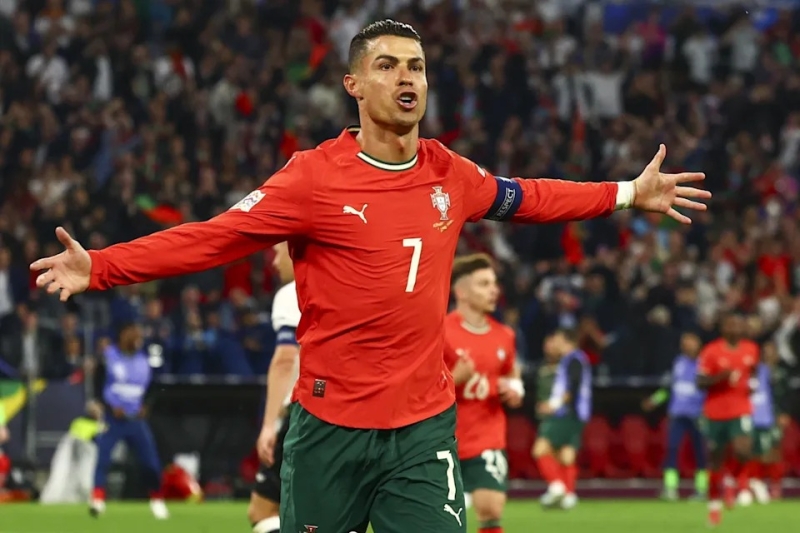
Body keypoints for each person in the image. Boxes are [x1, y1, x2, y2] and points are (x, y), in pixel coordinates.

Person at [31, 20, 709, 532]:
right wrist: (102, 267)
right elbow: (213, 238)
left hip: (422, 428)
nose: (406, 78)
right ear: (353, 85)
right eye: (386, 65)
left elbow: (530, 196)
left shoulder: (449, 173)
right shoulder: (312, 178)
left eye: (416, 66)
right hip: (330, 427)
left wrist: (627, 192)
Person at [443, 254, 522, 533]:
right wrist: (455, 378)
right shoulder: (440, 332)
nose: (494, 290)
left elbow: (512, 375)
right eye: (484, 284)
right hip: (444, 437)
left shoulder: (504, 336)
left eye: (494, 283)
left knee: (491, 508)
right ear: (461, 292)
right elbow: (419, 389)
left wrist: (515, 391)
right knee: (441, 520)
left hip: (488, 435)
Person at [89, 322, 168, 519]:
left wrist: (147, 405)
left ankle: (157, 500)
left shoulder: (145, 359)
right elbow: (98, 384)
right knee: (103, 458)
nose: (137, 338)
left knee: (150, 462)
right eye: (133, 333)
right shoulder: (108, 357)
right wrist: (108, 406)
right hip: (113, 418)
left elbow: (154, 385)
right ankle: (97, 499)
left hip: (135, 419)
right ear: (123, 334)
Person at [248, 242, 301, 533]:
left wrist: (269, 425)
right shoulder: (345, 287)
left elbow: (285, 358)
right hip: (352, 414)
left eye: (278, 253)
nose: (274, 262)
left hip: (303, 415)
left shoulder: (294, 292)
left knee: (263, 511)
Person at [696, 314, 758, 526]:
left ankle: (732, 478)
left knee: (743, 450)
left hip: (741, 409)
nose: (735, 328)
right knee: (715, 460)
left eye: (739, 325)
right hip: (715, 412)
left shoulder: (751, 349)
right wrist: (719, 378)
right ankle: (714, 508)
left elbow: (753, 371)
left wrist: (753, 385)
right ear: (723, 328)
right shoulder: (711, 351)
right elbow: (700, 382)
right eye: (731, 325)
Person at [642, 332, 707, 500]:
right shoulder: (678, 363)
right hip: (677, 414)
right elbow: (669, 387)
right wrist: (654, 400)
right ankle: (670, 488)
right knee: (671, 449)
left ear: (698, 344)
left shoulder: (705, 363)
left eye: (690, 343)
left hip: (698, 414)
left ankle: (702, 489)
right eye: (684, 343)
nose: (686, 346)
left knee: (700, 452)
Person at [533, 329, 592, 510]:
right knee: (566, 454)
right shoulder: (575, 359)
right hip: (576, 414)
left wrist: (553, 405)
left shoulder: (573, 359)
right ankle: (569, 494)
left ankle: (557, 485)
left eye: (557, 339)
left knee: (540, 449)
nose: (554, 343)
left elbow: (571, 389)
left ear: (566, 341)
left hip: (566, 413)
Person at [747, 341, 789, 503]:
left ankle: (775, 485)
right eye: (765, 352)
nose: (768, 354)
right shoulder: (755, 370)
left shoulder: (782, 372)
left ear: (777, 354)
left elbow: (787, 394)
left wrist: (784, 412)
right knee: (754, 451)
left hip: (773, 416)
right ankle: (756, 483)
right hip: (754, 416)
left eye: (771, 351)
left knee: (773, 451)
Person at [40, 401, 105, 504]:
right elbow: (73, 439)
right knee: (63, 475)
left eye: (97, 410)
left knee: (85, 481)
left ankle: (85, 499)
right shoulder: (79, 422)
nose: (95, 412)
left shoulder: (101, 426)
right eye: (93, 410)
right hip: (73, 455)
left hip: (88, 456)